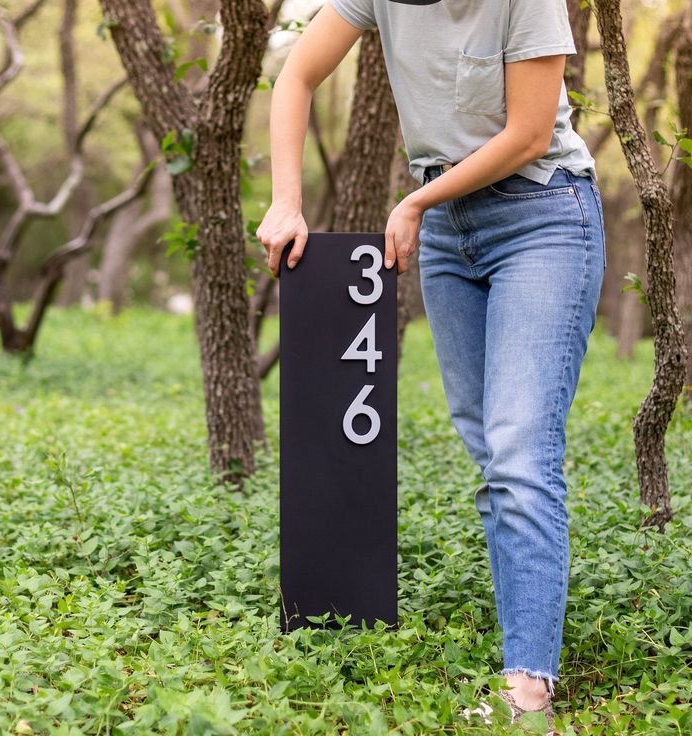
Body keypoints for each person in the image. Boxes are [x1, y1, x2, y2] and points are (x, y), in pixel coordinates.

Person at [256, 0, 605, 728]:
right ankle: (527, 653)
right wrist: (286, 201)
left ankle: (529, 689)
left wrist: (416, 200)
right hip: (449, 229)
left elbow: (529, 133)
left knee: (518, 450)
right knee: (491, 446)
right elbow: (297, 75)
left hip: (542, 215)